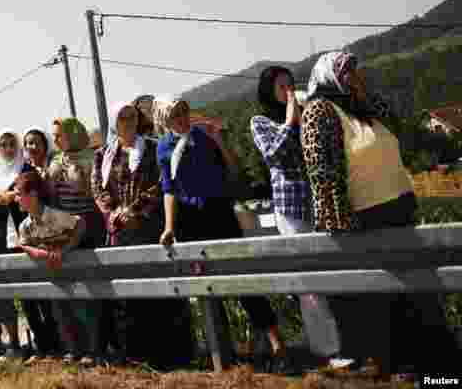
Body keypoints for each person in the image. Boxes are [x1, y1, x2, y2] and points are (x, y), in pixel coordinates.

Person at [300, 51, 457, 379]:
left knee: (422, 296)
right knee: (389, 303)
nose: (354, 77)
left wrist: (365, 95)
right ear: (330, 76)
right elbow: (322, 174)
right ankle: (407, 369)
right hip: (364, 220)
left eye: (356, 71)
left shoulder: (363, 107)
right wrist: (345, 227)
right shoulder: (319, 110)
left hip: (398, 210)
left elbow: (399, 125)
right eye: (347, 72)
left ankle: (437, 368)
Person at [154, 96, 286, 372]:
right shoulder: (164, 147)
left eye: (184, 111)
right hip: (189, 223)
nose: (181, 118)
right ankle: (223, 353)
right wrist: (168, 226)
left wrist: (219, 141)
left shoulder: (202, 136)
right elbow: (168, 188)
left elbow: (232, 167)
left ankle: (276, 343)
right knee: (207, 287)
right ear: (165, 119)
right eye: (175, 114)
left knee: (242, 278)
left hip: (219, 213)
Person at [252, 65, 347, 368]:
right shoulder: (261, 121)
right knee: (310, 283)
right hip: (291, 208)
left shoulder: (307, 113)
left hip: (321, 204)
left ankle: (348, 342)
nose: (288, 90)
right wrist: (292, 119)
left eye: (291, 84)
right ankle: (327, 350)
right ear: (269, 91)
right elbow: (274, 155)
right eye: (281, 86)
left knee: (333, 275)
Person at [93, 102, 194, 370]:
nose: (128, 121)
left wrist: (135, 211)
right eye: (122, 118)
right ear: (114, 122)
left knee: (161, 294)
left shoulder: (152, 146)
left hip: (149, 229)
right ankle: (137, 357)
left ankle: (173, 357)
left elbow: (161, 183)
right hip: (119, 235)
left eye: (132, 116)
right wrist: (113, 213)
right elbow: (97, 188)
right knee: (129, 298)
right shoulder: (103, 155)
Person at [14, 164, 89, 365]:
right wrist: (37, 252)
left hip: (73, 273)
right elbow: (22, 243)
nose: (16, 198)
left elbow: (80, 224)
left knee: (80, 311)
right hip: (55, 277)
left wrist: (65, 251)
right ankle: (72, 351)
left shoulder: (55, 215)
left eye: (19, 194)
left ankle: (89, 352)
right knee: (61, 313)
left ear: (34, 194)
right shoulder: (26, 225)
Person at [46, 117, 104, 366]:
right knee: (65, 293)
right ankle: (74, 347)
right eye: (55, 136)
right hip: (63, 233)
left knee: (90, 294)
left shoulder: (92, 158)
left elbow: (95, 194)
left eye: (60, 135)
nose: (56, 139)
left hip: (89, 231)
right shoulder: (56, 162)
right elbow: (51, 198)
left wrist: (78, 177)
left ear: (73, 134)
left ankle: (96, 348)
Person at [17, 126, 60, 362]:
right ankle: (45, 346)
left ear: (45, 144)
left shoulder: (54, 166)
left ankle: (63, 344)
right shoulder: (24, 171)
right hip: (32, 235)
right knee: (37, 295)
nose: (31, 147)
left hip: (57, 231)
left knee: (58, 293)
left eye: (35, 142)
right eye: (28, 143)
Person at [0, 129, 27, 362]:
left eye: (12, 144)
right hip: (4, 240)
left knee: (34, 295)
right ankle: (15, 345)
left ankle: (47, 345)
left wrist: (14, 195)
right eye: (4, 145)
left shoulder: (25, 169)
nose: (9, 149)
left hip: (27, 237)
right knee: (9, 296)